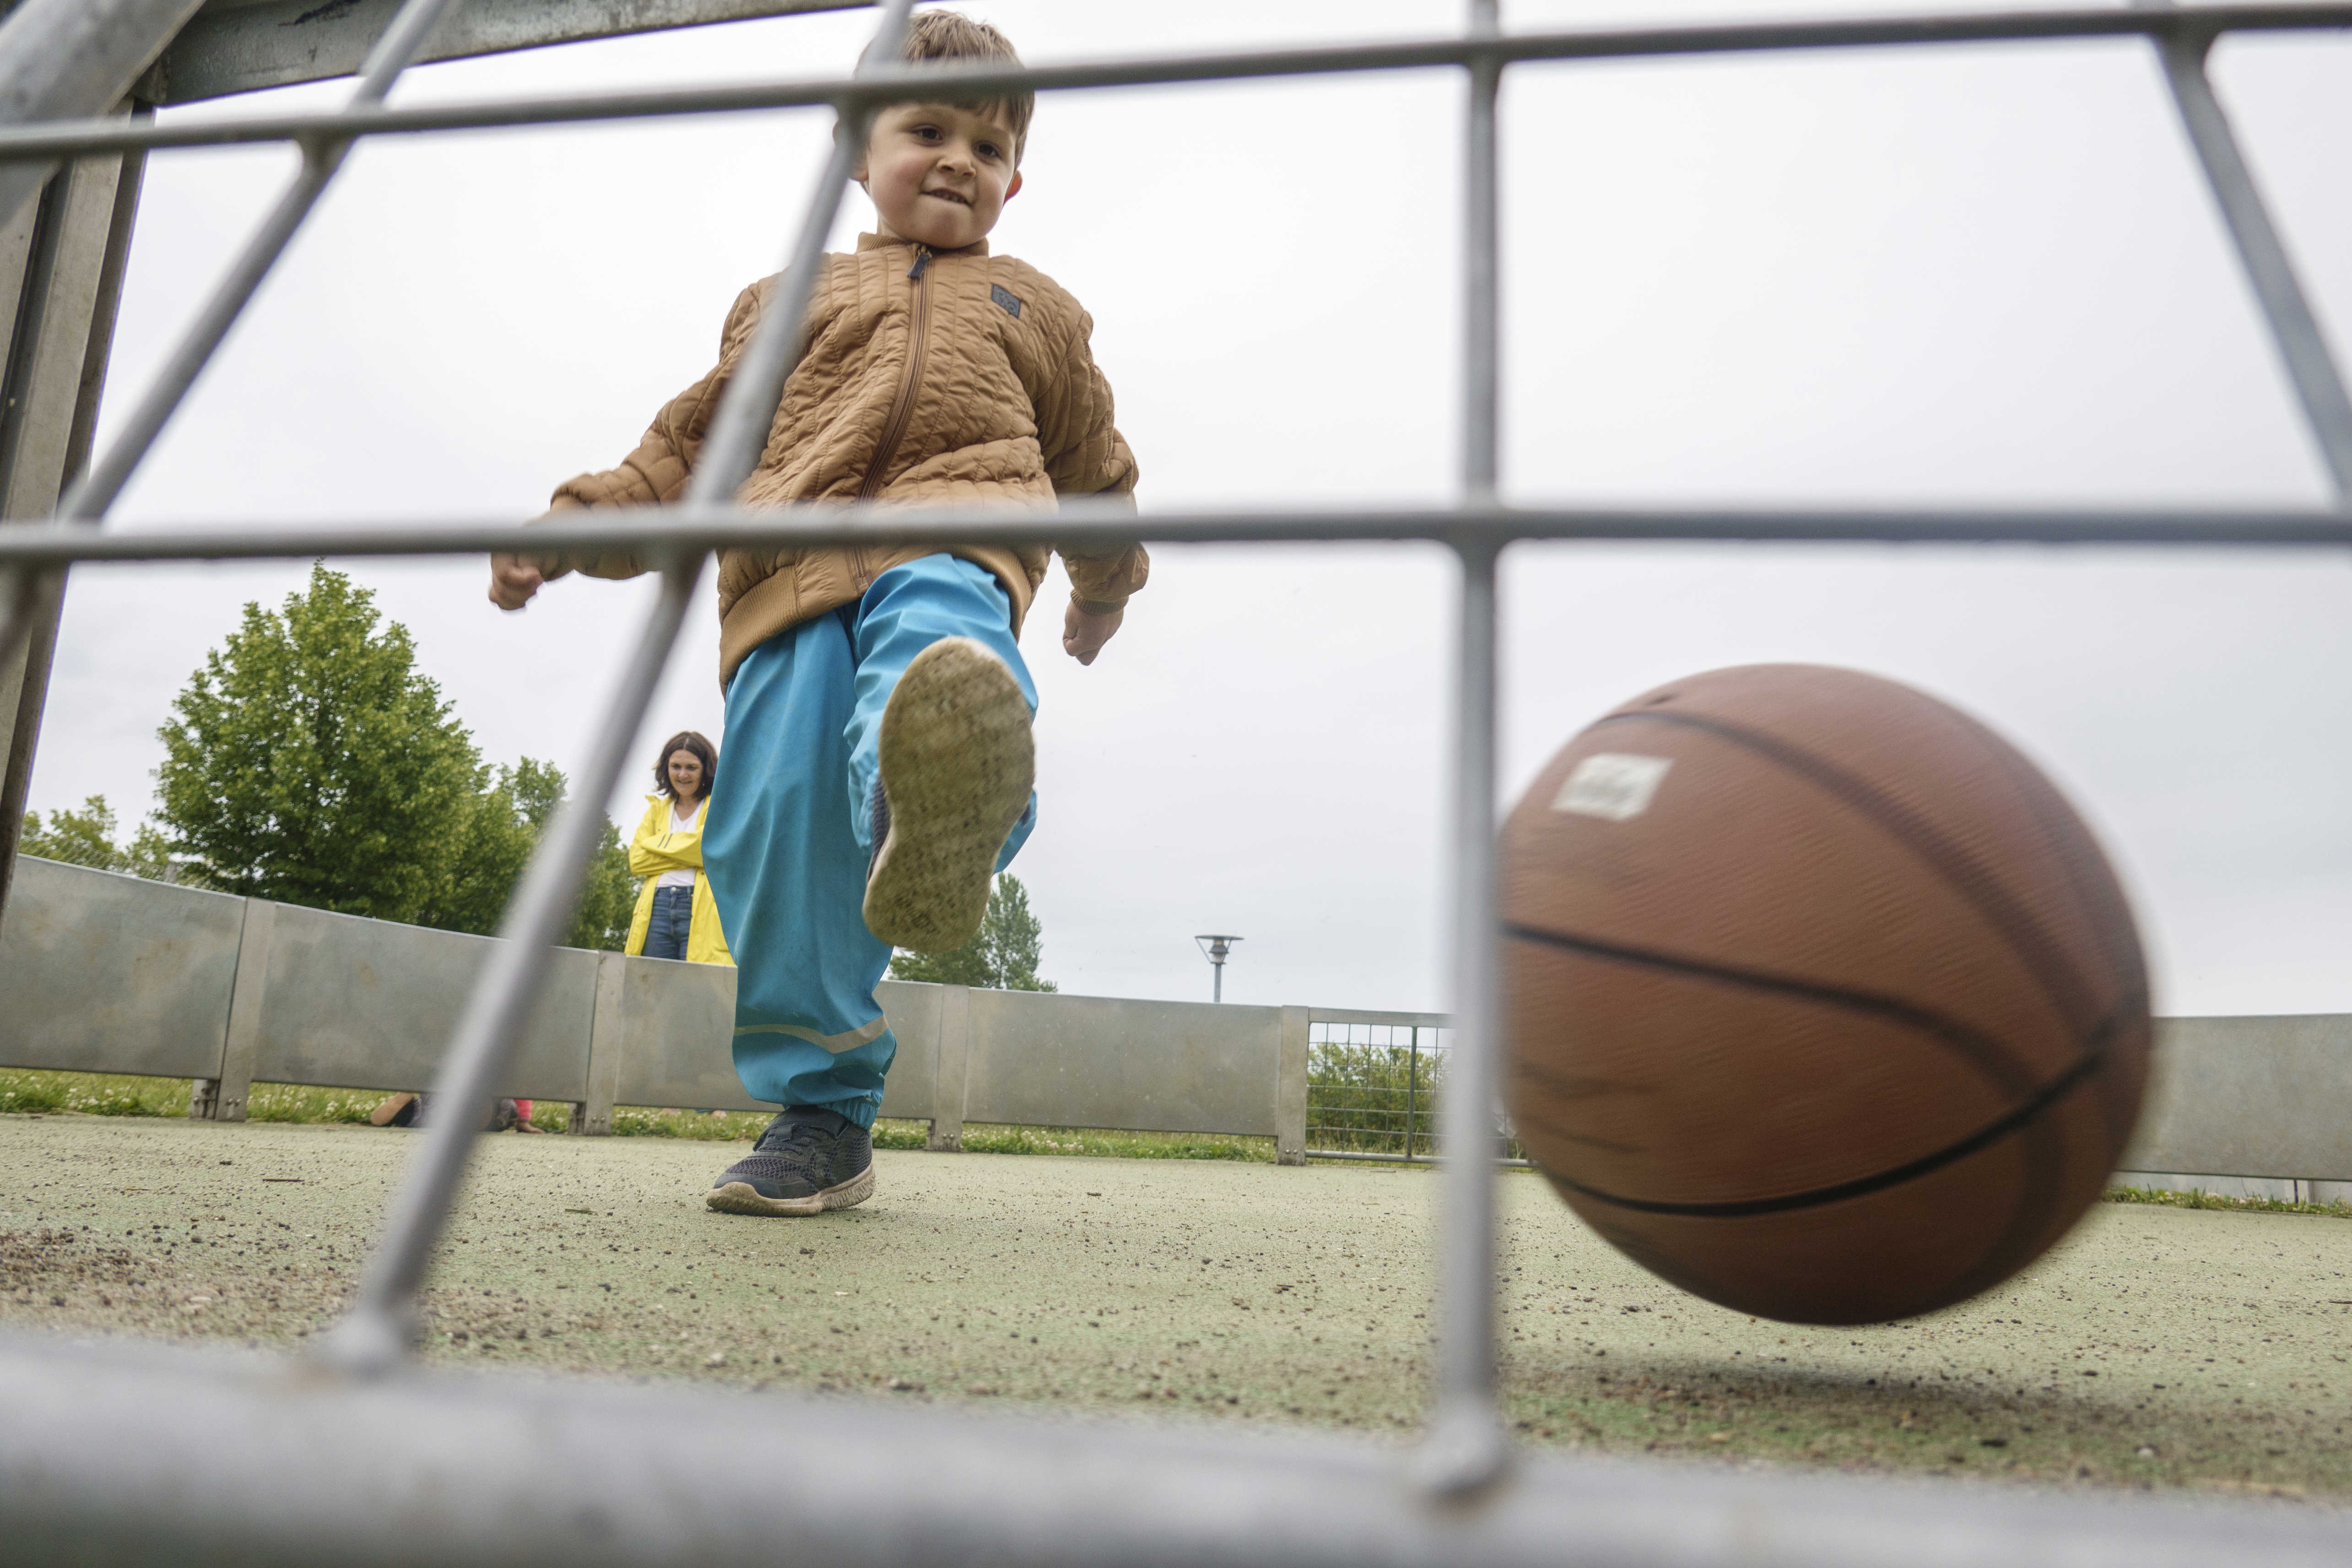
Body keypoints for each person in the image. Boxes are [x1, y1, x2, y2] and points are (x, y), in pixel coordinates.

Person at [486, 13, 1144, 1218]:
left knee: (934, 640)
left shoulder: (1033, 305)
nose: (957, 160)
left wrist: (1103, 591)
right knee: (772, 816)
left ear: (1014, 178)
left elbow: (1095, 467)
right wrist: (578, 524)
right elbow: (688, 446)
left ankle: (936, 800)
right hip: (783, 572)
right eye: (927, 131)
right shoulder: (782, 297)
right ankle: (823, 1114)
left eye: (987, 148)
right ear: (856, 147)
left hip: (957, 529)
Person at [626, 730, 733, 965]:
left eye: (691, 767)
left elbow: (713, 853)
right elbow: (637, 860)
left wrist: (657, 847)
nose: (683, 774)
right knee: (652, 988)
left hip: (701, 909)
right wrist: (692, 852)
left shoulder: (720, 807)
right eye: (676, 766)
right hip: (657, 907)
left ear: (706, 768)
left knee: (697, 989)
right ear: (666, 768)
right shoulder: (656, 810)